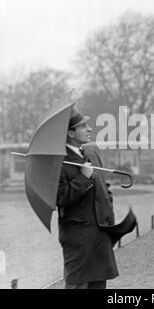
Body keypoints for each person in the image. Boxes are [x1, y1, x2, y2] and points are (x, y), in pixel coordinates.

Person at [56, 107, 118, 289]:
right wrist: (82, 178)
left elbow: (104, 186)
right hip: (78, 239)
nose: (90, 129)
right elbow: (59, 198)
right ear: (70, 133)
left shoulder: (91, 154)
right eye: (83, 126)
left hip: (100, 234)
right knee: (79, 285)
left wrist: (108, 212)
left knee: (99, 285)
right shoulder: (59, 160)